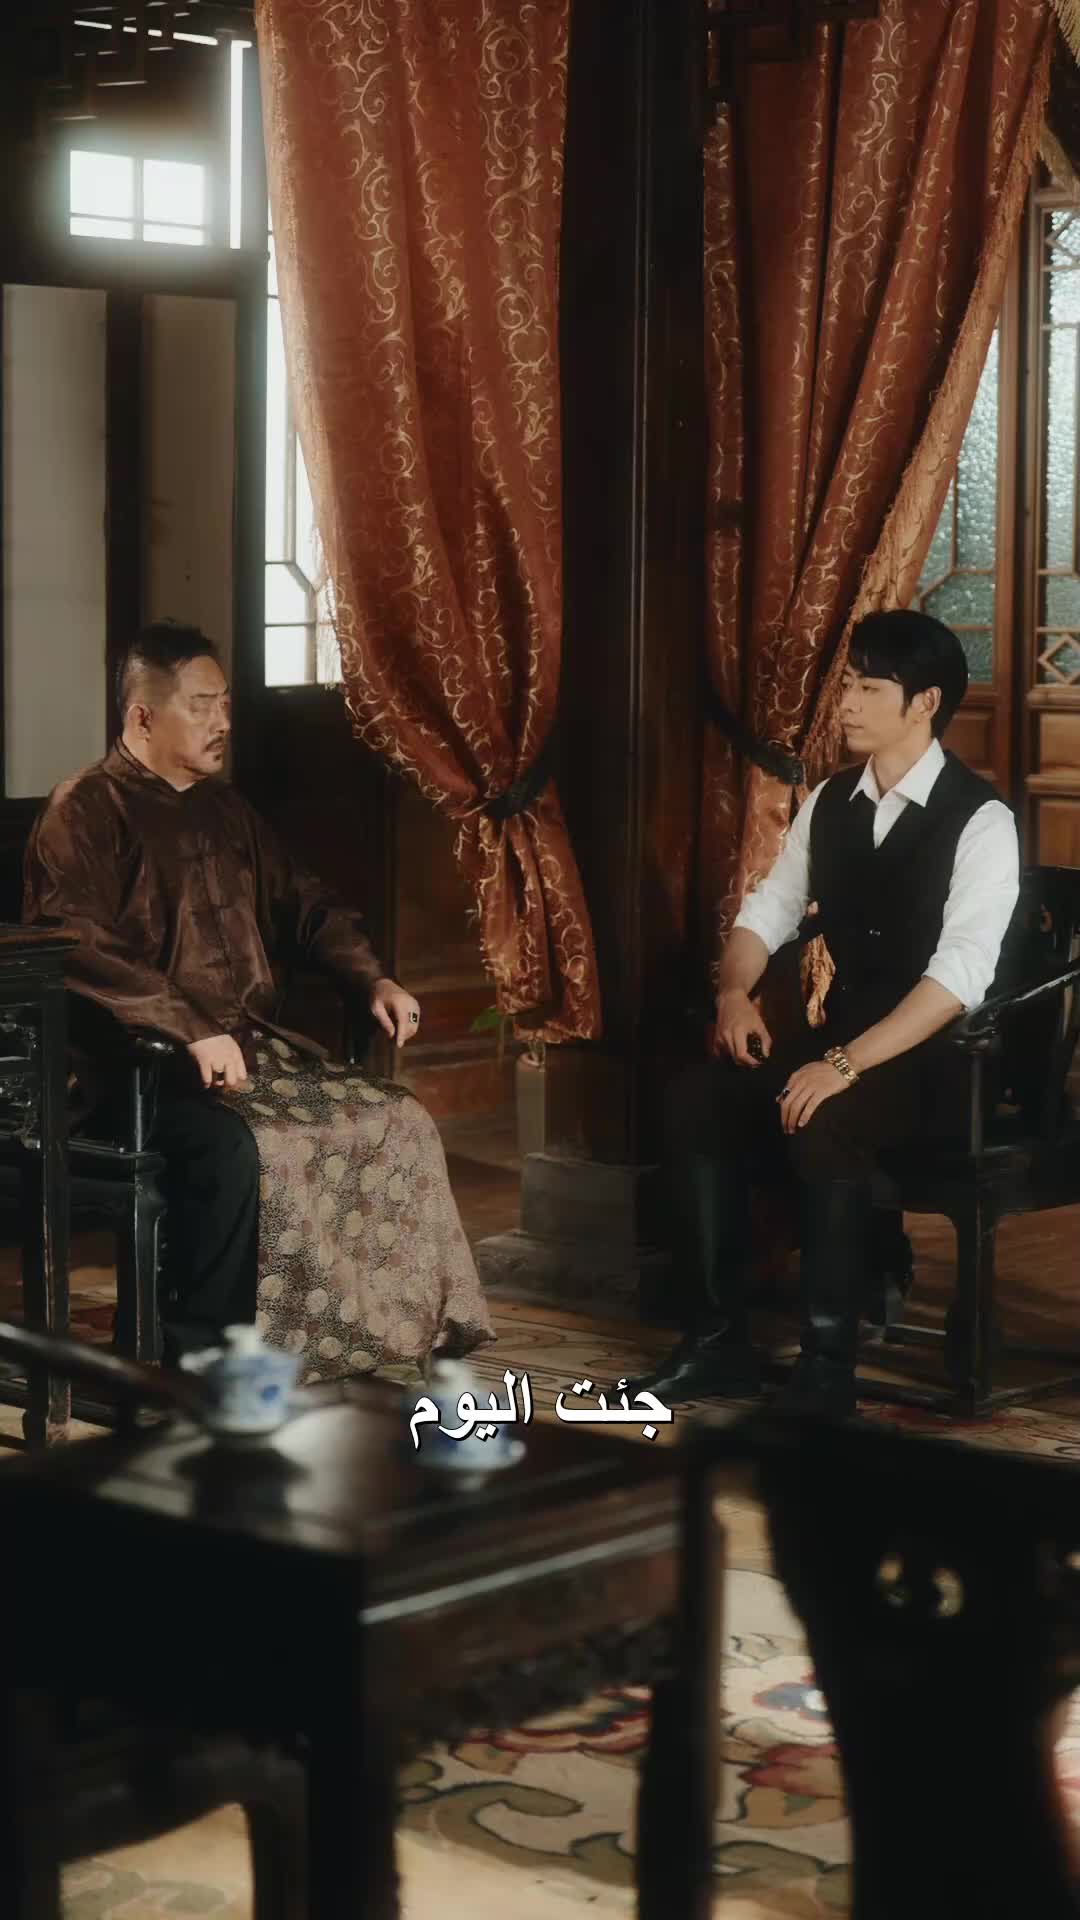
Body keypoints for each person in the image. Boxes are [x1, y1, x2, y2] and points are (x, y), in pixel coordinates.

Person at [23, 622, 495, 1383]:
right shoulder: (83, 809)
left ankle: (357, 1338)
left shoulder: (225, 809)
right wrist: (186, 1028)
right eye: (202, 705)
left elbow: (306, 906)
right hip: (135, 1070)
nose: (224, 722)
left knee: (396, 1118)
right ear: (142, 715)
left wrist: (370, 978)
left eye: (225, 703)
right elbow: (74, 942)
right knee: (239, 1148)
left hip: (249, 1050)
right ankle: (200, 1357)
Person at [632, 609, 1020, 1416]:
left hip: (942, 1064)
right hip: (836, 1044)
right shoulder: (832, 801)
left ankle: (826, 1370)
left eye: (868, 688)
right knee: (699, 1097)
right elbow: (768, 910)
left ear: (924, 703)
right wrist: (734, 994)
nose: (845, 703)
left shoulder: (982, 821)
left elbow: (959, 977)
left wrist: (845, 1064)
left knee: (824, 1118)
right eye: (847, 684)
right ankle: (716, 1345)